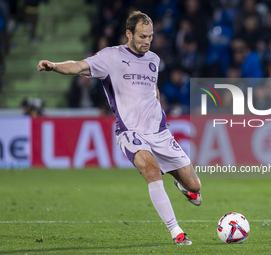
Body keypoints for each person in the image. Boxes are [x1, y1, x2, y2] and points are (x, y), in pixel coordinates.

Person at [37, 11, 201, 245]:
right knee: (152, 173)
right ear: (129, 34)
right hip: (130, 132)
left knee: (195, 187)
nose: (147, 41)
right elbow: (77, 67)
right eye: (143, 36)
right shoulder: (111, 57)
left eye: (151, 37)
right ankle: (177, 232)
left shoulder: (154, 60)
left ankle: (182, 184)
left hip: (160, 132)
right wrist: (53, 65)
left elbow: (153, 90)